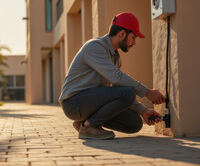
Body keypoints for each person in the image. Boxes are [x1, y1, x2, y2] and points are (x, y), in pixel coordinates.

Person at [59, 12, 165, 140]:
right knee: (128, 92)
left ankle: (84, 122)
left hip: (89, 102)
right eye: (133, 37)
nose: (134, 43)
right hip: (73, 104)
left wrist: (142, 110)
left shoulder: (115, 57)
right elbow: (117, 78)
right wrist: (147, 92)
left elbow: (118, 88)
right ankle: (89, 127)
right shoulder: (95, 47)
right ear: (122, 34)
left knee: (134, 124)